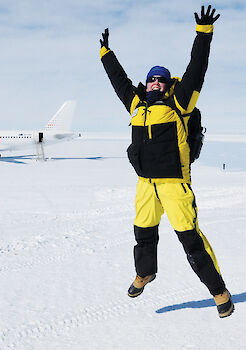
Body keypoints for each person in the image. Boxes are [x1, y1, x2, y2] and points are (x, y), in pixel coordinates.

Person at [100, 5, 234, 318]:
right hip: (146, 184)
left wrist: (203, 34)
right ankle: (145, 273)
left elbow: (197, 68)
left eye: (160, 80)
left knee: (192, 242)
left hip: (175, 184)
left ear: (166, 83)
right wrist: (106, 53)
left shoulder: (180, 102)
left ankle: (219, 292)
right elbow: (119, 81)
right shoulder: (136, 105)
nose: (155, 84)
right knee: (143, 233)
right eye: (151, 81)